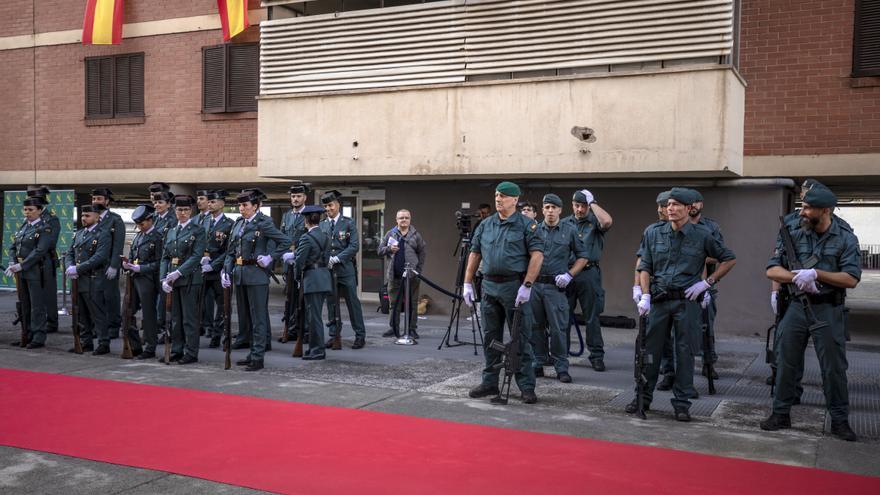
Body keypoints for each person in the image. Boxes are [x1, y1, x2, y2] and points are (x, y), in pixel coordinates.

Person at [760, 183, 860, 442]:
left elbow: (850, 278)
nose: (802, 212)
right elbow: (772, 270)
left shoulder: (846, 237)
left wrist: (817, 274)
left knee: (833, 367)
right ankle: (780, 412)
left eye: (807, 207)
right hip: (796, 306)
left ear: (825, 210)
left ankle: (839, 420)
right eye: (802, 206)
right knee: (785, 361)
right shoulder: (791, 230)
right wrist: (796, 278)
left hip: (828, 308)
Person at [628, 187, 736, 421]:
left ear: (689, 208)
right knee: (650, 351)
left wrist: (707, 284)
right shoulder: (653, 232)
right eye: (669, 205)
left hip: (686, 302)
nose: (671, 209)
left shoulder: (703, 234)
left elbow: (729, 258)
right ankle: (641, 397)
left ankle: (682, 403)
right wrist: (644, 294)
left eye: (676, 205)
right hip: (658, 300)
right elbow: (644, 265)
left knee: (685, 352)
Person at [463, 181, 544, 404]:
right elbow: (475, 253)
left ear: (515, 200)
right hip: (489, 286)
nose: (498, 199)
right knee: (491, 337)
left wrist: (527, 285)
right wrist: (467, 283)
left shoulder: (527, 226)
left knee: (520, 338)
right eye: (497, 195)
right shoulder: (486, 225)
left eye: (504, 196)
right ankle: (490, 382)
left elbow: (537, 256)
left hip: (514, 287)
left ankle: (526, 385)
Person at [222, 189, 289, 371]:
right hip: (240, 275)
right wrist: (226, 271)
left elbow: (285, 241)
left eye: (245, 205)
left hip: (257, 275)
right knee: (246, 318)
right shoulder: (238, 224)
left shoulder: (263, 223)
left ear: (256, 206)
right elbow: (231, 251)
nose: (241, 208)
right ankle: (252, 353)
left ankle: (258, 357)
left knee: (258, 318)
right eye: (240, 205)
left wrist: (270, 257)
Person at [530, 194, 589, 383]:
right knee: (535, 327)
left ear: (560, 210)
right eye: (546, 207)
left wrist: (570, 275)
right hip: (535, 285)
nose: (550, 211)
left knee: (558, 328)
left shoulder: (569, 230)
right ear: (542, 210)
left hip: (556, 287)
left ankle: (561, 367)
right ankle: (537, 363)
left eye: (553, 207)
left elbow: (583, 256)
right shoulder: (533, 230)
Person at [563, 188, 613, 371]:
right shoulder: (565, 223)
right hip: (566, 273)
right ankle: (561, 355)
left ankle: (596, 356)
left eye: (583, 206)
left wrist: (592, 203)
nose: (579, 209)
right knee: (563, 317)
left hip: (588, 273)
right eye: (576, 205)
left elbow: (607, 221)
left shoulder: (595, 221)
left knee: (592, 316)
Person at [159, 195, 207, 364]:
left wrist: (179, 272)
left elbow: (196, 256)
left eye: (186, 210)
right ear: (175, 210)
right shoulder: (171, 231)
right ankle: (177, 349)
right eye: (180, 210)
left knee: (189, 319)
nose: (183, 213)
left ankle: (191, 352)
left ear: (191, 211)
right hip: (172, 279)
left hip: (189, 279)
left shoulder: (198, 230)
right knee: (175, 318)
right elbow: (165, 257)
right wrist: (163, 279)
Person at [5, 197, 56, 349]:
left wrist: (22, 265)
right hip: (21, 271)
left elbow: (40, 251)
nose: (27, 213)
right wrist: (12, 261)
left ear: (39, 211)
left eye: (31, 210)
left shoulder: (45, 228)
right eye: (25, 210)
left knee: (37, 305)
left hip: (36, 271)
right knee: (24, 305)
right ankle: (26, 334)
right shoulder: (23, 227)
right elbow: (13, 247)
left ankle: (38, 336)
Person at [320, 190, 367, 349]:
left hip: (345, 270)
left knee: (353, 304)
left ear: (338, 205)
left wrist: (338, 258)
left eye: (331, 205)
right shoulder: (322, 224)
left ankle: (360, 335)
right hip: (329, 271)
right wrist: (326, 259)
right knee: (331, 304)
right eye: (326, 206)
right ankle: (334, 335)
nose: (328, 209)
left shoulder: (348, 223)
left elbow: (354, 246)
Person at [64, 204, 111, 354]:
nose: (84, 219)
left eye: (87, 216)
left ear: (97, 217)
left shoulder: (103, 234)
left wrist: (77, 268)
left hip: (93, 279)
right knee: (81, 314)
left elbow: (99, 257)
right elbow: (70, 253)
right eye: (83, 216)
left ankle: (103, 343)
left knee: (97, 314)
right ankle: (86, 342)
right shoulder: (79, 234)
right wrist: (69, 266)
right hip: (78, 280)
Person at [121, 205, 163, 359]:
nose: (140, 226)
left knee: (148, 315)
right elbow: (132, 255)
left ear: (150, 220)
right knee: (127, 312)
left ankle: (150, 347)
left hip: (148, 280)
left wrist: (142, 268)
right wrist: (127, 264)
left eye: (142, 224)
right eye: (138, 224)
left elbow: (160, 262)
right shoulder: (139, 236)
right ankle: (134, 345)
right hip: (134, 278)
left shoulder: (157, 237)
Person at [378, 209, 427, 339]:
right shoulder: (390, 234)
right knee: (394, 304)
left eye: (406, 217)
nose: (404, 220)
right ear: (397, 220)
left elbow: (422, 253)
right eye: (401, 218)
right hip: (395, 276)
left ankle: (412, 329)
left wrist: (419, 270)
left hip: (412, 276)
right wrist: (388, 249)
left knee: (413, 304)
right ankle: (393, 328)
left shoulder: (416, 235)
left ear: (410, 219)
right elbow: (379, 250)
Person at [292, 205, 332, 360]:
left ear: (306, 220)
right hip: (323, 277)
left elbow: (299, 261)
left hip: (312, 280)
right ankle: (315, 348)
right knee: (315, 315)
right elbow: (327, 258)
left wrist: (297, 277)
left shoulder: (306, 238)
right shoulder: (326, 236)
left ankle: (318, 350)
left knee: (314, 317)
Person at [200, 190, 234, 348]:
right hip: (202, 269)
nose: (210, 204)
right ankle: (201, 329)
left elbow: (228, 251)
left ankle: (217, 335)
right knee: (197, 302)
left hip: (218, 270)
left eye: (213, 202)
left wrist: (213, 265)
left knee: (222, 306)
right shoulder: (203, 221)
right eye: (209, 201)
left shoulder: (229, 224)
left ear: (222, 204)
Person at [92, 188, 126, 340]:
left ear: (107, 201)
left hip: (108, 264)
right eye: (94, 199)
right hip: (93, 265)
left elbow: (118, 244)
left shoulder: (115, 219)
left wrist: (114, 265)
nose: (96, 202)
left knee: (110, 296)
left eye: (99, 199)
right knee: (95, 297)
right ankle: (99, 327)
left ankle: (113, 326)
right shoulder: (91, 218)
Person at [26, 186, 61, 334]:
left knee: (48, 293)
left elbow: (50, 242)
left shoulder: (50, 218)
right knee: (33, 296)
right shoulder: (29, 218)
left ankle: (52, 322)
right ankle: (36, 323)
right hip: (31, 260)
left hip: (46, 260)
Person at [279, 183, 310, 342]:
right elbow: (281, 237)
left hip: (302, 262)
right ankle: (291, 329)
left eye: (298, 196)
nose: (295, 199)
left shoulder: (309, 214)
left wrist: (295, 254)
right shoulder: (287, 216)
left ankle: (304, 330)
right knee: (290, 299)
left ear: (305, 197)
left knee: (303, 299)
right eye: (293, 196)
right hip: (289, 263)